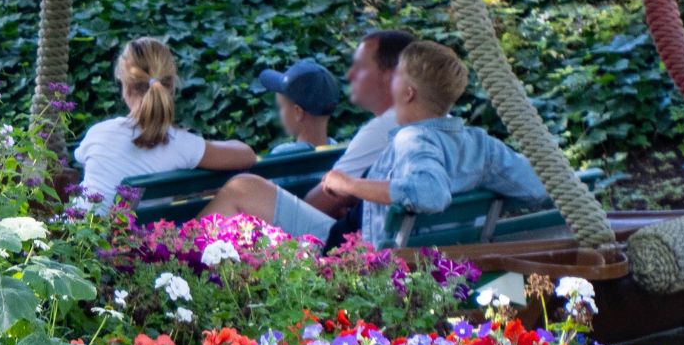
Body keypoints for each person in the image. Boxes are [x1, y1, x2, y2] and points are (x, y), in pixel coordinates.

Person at [318, 40, 546, 244]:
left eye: (396, 76)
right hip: (455, 267)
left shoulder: (412, 140)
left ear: (408, 94)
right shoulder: (482, 146)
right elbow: (537, 187)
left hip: (391, 275)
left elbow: (430, 193)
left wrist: (349, 185)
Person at [200, 29, 414, 239]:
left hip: (358, 248)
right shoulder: (440, 122)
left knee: (243, 187)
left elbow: (320, 204)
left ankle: (175, 255)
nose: (350, 75)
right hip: (415, 241)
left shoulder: (384, 129)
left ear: (389, 76)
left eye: (362, 67)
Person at [73, 38, 256, 202]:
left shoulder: (98, 134)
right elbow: (247, 155)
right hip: (147, 238)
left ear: (126, 88)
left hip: (83, 236)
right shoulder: (182, 145)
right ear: (171, 87)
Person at [256, 58, 340, 154]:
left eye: (281, 107)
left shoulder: (282, 155)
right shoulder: (343, 154)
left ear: (298, 112)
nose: (280, 114)